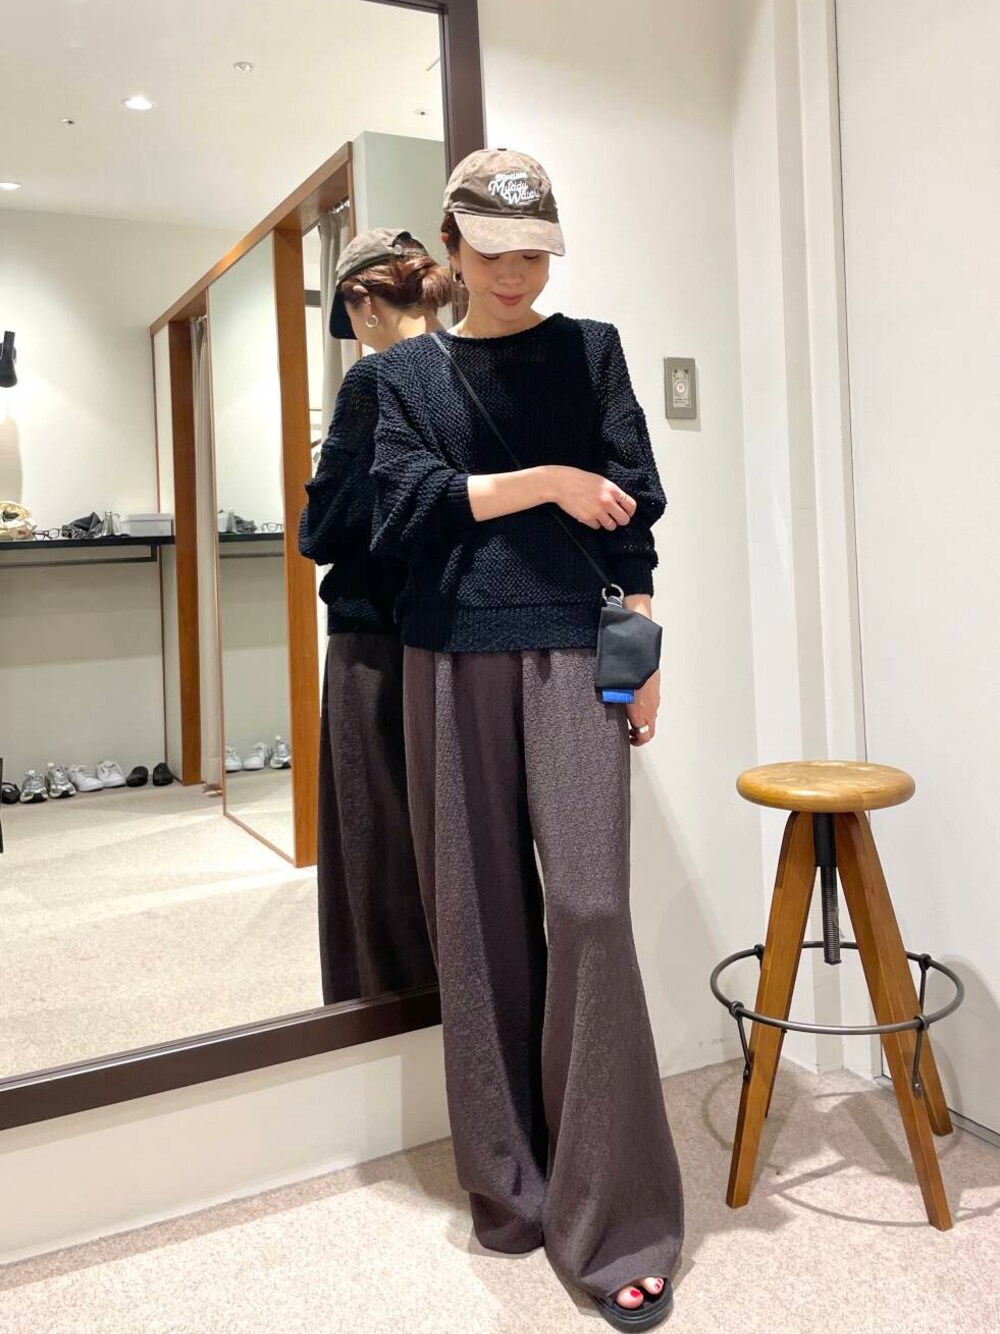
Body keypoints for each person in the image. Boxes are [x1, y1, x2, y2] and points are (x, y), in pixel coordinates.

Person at [369, 150, 684, 1328]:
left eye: (535, 254)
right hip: (447, 652)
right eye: (495, 252)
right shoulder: (405, 375)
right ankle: (510, 1183)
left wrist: (638, 658)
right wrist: (547, 478)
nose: (516, 274)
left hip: (572, 646)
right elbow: (402, 505)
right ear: (452, 247)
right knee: (477, 921)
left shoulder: (590, 350)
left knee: (590, 909)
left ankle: (617, 1220)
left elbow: (633, 520)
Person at [298, 227, 451, 1005]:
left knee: (372, 836)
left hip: (372, 643)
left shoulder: (373, 380)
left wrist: (325, 474)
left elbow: (321, 533)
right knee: (445, 835)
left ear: (364, 302)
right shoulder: (468, 369)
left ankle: (381, 1018)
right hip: (452, 638)